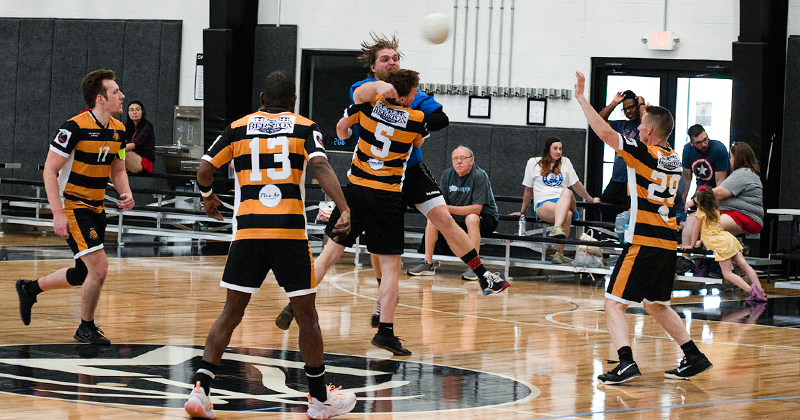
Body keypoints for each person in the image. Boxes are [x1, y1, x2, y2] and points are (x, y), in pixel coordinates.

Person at [274, 34, 508, 332]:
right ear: (372, 67)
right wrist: (389, 95)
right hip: (372, 176)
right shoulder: (365, 89)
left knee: (444, 219)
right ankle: (366, 301)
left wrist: (407, 110)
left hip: (408, 170)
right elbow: (356, 108)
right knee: (358, 248)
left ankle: (483, 274)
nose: (392, 62)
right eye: (385, 59)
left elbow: (440, 119)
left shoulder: (412, 93)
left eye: (395, 58)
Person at [183, 71, 356, 420]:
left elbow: (204, 168)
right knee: (307, 316)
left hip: (248, 233)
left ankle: (200, 390)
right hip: (288, 234)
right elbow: (320, 166)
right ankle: (319, 399)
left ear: (262, 97)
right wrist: (345, 207)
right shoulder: (304, 127)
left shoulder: (237, 127)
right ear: (292, 100)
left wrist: (207, 195)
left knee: (231, 313)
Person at [575, 71, 713, 384]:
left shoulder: (643, 154)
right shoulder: (673, 157)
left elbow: (604, 132)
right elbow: (658, 125)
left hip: (643, 240)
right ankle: (693, 356)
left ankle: (625, 363)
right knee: (656, 305)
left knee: (613, 304)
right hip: (667, 243)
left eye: (641, 126)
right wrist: (651, 112)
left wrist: (582, 99)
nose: (637, 128)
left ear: (648, 131)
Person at [15, 69, 135, 345]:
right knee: (100, 269)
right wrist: (57, 212)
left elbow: (117, 169)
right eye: (116, 92)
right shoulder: (73, 128)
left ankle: (30, 289)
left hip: (96, 207)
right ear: (100, 98)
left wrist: (125, 191)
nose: (122, 96)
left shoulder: (120, 130)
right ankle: (85, 327)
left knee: (84, 273)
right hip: (73, 205)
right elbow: (49, 170)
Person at [313, 69, 426, 357]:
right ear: (405, 94)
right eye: (415, 92)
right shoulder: (416, 120)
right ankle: (385, 332)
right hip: (387, 196)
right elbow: (417, 145)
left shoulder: (364, 108)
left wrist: (348, 133)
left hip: (356, 191)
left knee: (328, 254)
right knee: (390, 267)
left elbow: (341, 129)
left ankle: (297, 302)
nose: (416, 96)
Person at [408, 146, 499, 280]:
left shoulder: (480, 176)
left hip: (485, 219)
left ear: (472, 160)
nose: (459, 162)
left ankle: (474, 267)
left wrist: (446, 209)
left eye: (463, 158)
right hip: (458, 217)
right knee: (432, 218)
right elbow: (441, 202)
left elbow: (477, 209)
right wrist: (442, 210)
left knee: (472, 218)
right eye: (455, 158)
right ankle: (427, 263)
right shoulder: (447, 174)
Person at [679, 142, 763, 273]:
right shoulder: (742, 174)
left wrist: (694, 201)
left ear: (738, 158)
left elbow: (718, 193)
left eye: (731, 157)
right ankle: (686, 259)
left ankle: (724, 265)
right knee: (692, 219)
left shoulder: (743, 174)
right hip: (732, 213)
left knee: (711, 225)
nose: (729, 160)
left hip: (745, 216)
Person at [514, 138, 599, 264]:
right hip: (544, 203)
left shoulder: (565, 162)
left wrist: (590, 200)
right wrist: (522, 212)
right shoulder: (534, 162)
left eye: (560, 148)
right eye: (555, 148)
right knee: (568, 214)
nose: (558, 152)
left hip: (563, 199)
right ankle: (559, 253)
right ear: (548, 149)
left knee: (567, 192)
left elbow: (576, 184)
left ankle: (557, 228)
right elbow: (528, 189)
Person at [684, 187, 767, 302]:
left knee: (727, 274)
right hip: (727, 238)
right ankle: (760, 289)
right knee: (744, 265)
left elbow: (696, 230)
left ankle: (752, 291)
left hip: (718, 242)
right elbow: (707, 228)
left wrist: (692, 244)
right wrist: (700, 241)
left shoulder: (700, 212)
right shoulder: (716, 209)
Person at [598, 90, 647, 222]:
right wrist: (614, 103)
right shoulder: (620, 125)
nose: (628, 112)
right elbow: (599, 120)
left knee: (634, 213)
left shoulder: (645, 124)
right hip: (618, 178)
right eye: (625, 109)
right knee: (605, 204)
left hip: (636, 180)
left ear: (637, 106)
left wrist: (642, 103)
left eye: (631, 107)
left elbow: (646, 123)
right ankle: (609, 237)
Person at [679, 124, 729, 203]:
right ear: (692, 143)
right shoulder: (688, 150)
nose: (704, 144)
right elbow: (687, 179)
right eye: (699, 142)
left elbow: (720, 182)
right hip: (701, 191)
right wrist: (682, 204)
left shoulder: (719, 149)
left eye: (705, 139)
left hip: (716, 190)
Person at [123, 100, 156, 173]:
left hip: (144, 162)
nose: (134, 112)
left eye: (137, 110)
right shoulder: (128, 126)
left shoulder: (147, 126)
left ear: (142, 112)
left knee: (122, 153)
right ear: (128, 113)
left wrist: (117, 149)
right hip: (132, 158)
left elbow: (136, 143)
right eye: (131, 110)